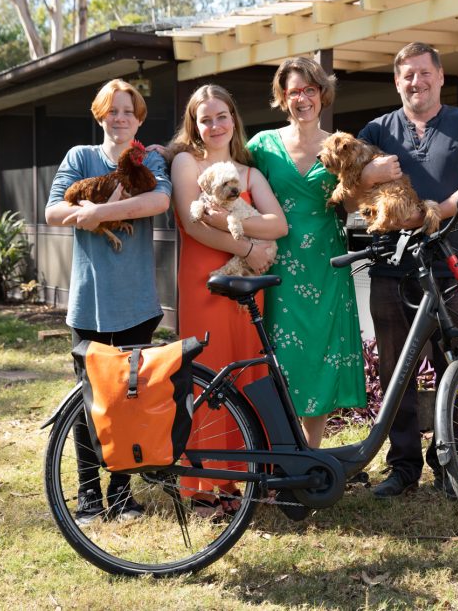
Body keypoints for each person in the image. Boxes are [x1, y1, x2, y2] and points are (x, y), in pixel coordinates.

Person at [355, 42, 458, 499]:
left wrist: (432, 213)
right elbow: (346, 184)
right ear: (397, 83)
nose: (416, 81)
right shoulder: (377, 129)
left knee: (457, 368)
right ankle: (402, 468)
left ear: (439, 75)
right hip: (391, 268)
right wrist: (370, 173)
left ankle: (448, 461)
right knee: (397, 371)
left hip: (452, 265)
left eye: (423, 72)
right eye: (406, 76)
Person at [45, 78, 172, 522]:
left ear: (139, 119)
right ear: (100, 115)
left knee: (130, 401)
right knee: (90, 400)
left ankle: (121, 494)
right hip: (90, 302)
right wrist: (90, 213)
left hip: (137, 301)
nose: (120, 118)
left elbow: (159, 200)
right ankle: (88, 495)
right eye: (112, 111)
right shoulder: (79, 158)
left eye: (128, 111)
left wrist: (100, 214)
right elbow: (53, 211)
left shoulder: (150, 158)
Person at [170, 84, 287, 516]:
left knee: (248, 373)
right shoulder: (187, 162)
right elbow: (193, 223)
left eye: (222, 116)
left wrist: (245, 232)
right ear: (194, 125)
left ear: (234, 119)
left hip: (247, 292)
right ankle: (204, 484)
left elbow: (279, 226)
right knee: (208, 376)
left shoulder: (249, 173)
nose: (215, 125)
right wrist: (247, 249)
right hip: (206, 282)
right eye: (206, 119)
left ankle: (247, 477)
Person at [242, 57, 366, 448]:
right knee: (281, 358)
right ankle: (281, 447)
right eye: (293, 91)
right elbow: (226, 171)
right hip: (275, 264)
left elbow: (352, 206)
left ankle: (311, 454)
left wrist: (364, 178)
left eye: (309, 90)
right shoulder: (262, 146)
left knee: (320, 356)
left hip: (326, 264)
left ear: (322, 94)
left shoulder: (341, 145)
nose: (302, 98)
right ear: (282, 97)